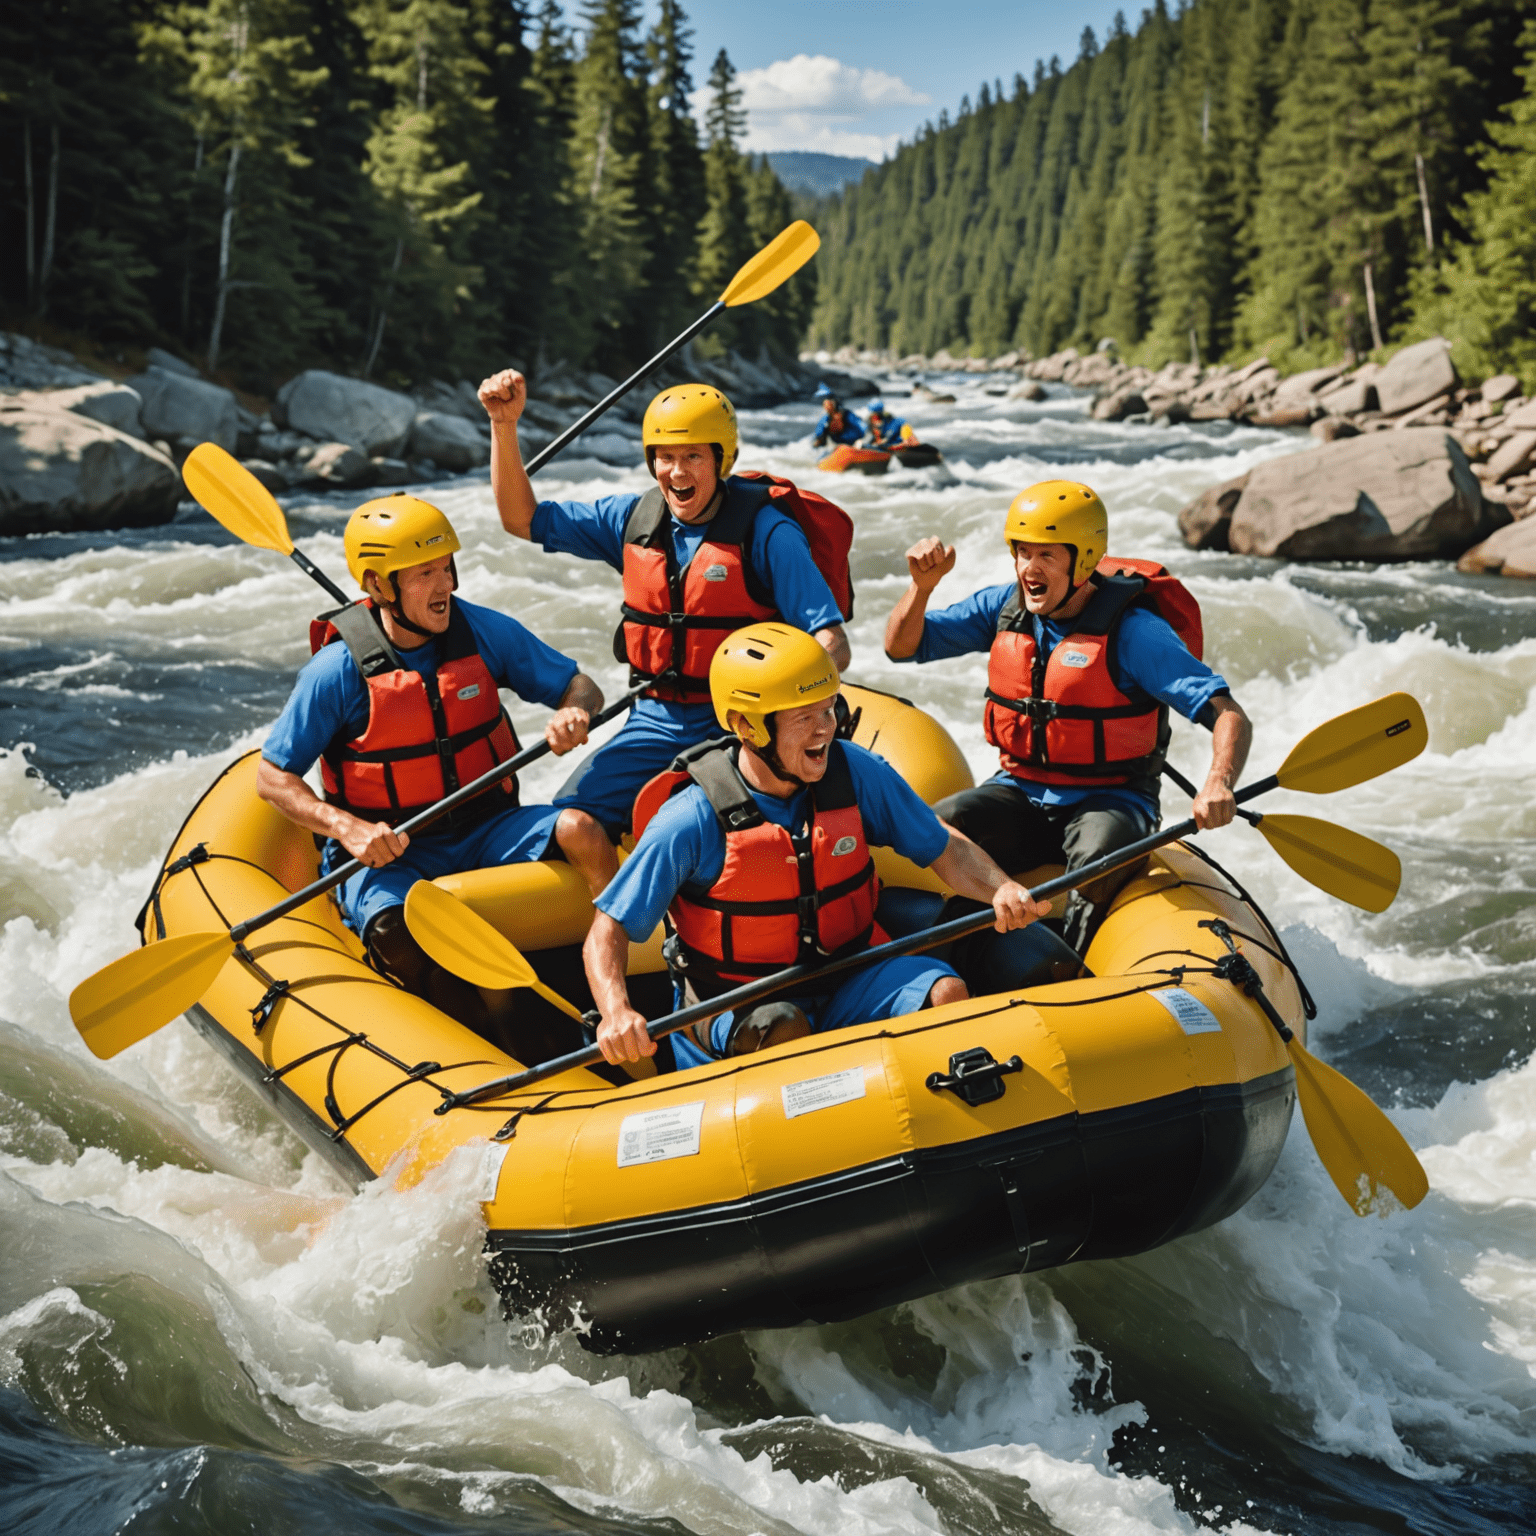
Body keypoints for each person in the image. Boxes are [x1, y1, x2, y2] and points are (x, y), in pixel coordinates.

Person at [582, 623, 1049, 1070]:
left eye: (828, 710)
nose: (824, 729)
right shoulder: (691, 819)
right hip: (739, 999)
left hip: (848, 972)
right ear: (748, 726)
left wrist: (1000, 888)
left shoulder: (853, 772)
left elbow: (945, 847)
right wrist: (616, 1011)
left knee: (946, 992)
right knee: (785, 1027)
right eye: (804, 717)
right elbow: (607, 931)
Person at [257, 494, 615, 1048]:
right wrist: (348, 830)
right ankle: (484, 1043)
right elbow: (271, 778)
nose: (444, 583)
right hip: (395, 847)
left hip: (487, 827)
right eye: (424, 573)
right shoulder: (335, 673)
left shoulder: (482, 632)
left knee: (583, 832)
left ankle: (615, 984)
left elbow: (580, 685)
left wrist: (576, 711)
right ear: (378, 586)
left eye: (446, 566)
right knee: (396, 933)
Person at [480, 370, 853, 840]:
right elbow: (521, 519)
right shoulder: (631, 519)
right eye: (665, 457)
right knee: (575, 821)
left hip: (742, 722)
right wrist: (503, 425)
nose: (676, 472)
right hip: (654, 718)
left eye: (693, 456)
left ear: (721, 459)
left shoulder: (769, 532)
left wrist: (793, 693)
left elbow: (832, 642)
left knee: (715, 826)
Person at [883, 479, 1251, 956]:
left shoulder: (1135, 632)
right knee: (938, 825)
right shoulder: (1004, 607)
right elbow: (900, 647)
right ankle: (961, 949)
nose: (1029, 569)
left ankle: (1074, 968)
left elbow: (1228, 713)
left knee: (1096, 863)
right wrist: (921, 587)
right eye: (1021, 552)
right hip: (1018, 789)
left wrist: (1219, 781)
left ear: (1082, 560)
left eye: (1046, 556)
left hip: (1112, 798)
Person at [811, 382, 864, 447]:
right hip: (839, 446)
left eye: (829, 404)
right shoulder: (826, 419)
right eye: (825, 404)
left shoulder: (846, 414)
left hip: (852, 444)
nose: (827, 406)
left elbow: (860, 426)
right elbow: (819, 433)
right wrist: (818, 440)